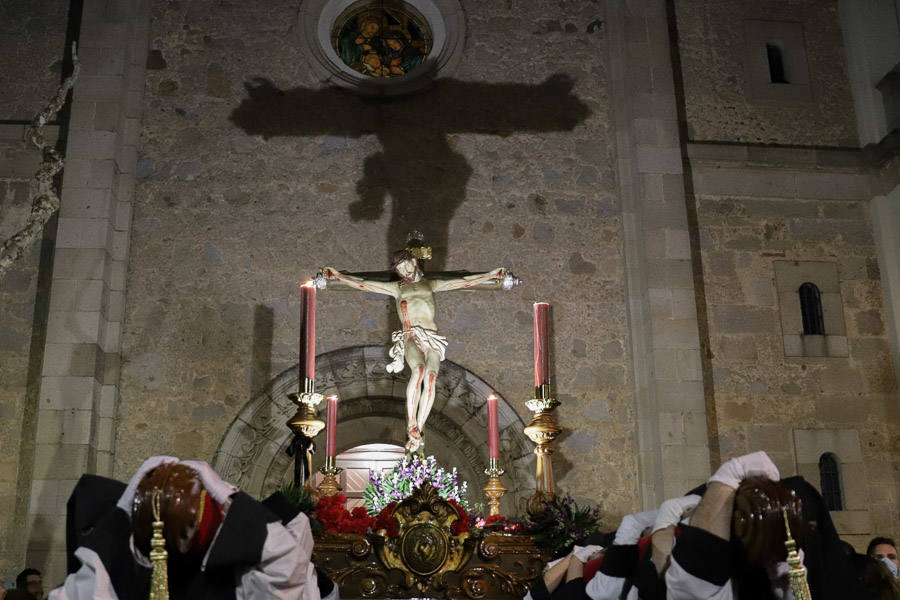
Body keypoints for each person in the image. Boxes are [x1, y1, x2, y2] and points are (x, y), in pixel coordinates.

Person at [49, 456, 326, 600]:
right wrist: (229, 497)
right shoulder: (240, 587)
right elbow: (287, 566)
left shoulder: (115, 585)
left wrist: (121, 516)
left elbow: (83, 582)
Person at [323, 251, 506, 454]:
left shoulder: (431, 284)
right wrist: (339, 276)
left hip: (431, 337)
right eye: (399, 269)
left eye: (406, 266)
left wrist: (491, 275)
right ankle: (411, 421)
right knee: (418, 370)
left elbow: (463, 282)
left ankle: (419, 425)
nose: (404, 272)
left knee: (431, 376)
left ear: (414, 262)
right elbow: (364, 284)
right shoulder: (397, 288)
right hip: (410, 336)